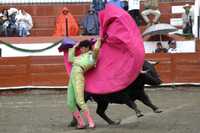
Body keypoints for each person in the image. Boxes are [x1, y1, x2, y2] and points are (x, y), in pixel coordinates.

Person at [67, 38, 102, 129]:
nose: (80, 49)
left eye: (82, 48)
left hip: (79, 76)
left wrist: (98, 41)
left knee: (80, 101)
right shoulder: (78, 57)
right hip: (71, 79)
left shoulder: (91, 56)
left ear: (87, 48)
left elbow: (97, 50)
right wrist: (74, 47)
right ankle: (81, 123)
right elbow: (70, 59)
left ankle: (91, 122)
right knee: (70, 103)